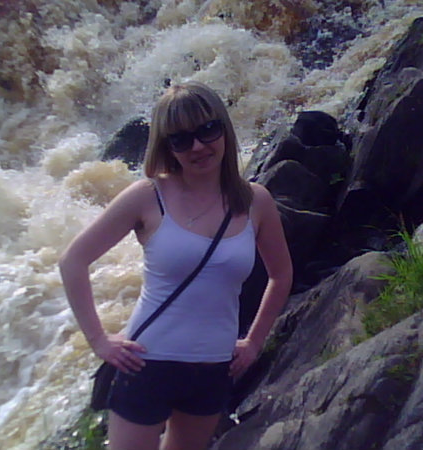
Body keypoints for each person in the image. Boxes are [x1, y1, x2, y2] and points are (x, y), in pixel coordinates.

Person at [59, 81, 292, 450]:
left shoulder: (256, 201)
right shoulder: (148, 196)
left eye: (207, 130)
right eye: (181, 139)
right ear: (167, 146)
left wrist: (254, 342)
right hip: (145, 363)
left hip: (214, 367)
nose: (197, 146)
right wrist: (98, 340)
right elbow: (73, 260)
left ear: (224, 129)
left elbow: (281, 275)